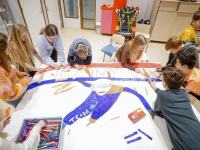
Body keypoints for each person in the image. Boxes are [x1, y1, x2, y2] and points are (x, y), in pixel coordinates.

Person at [149, 67, 200, 150]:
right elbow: (162, 93)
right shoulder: (184, 93)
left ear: (165, 83)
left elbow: (157, 110)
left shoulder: (162, 95)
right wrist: (154, 88)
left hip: (185, 146)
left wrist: (154, 88)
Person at [0, 33, 31, 108]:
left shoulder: (2, 60)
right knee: (25, 110)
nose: (9, 48)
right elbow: (10, 92)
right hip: (14, 97)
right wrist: (25, 82)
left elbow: (10, 71)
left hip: (18, 90)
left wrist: (20, 74)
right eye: (6, 46)